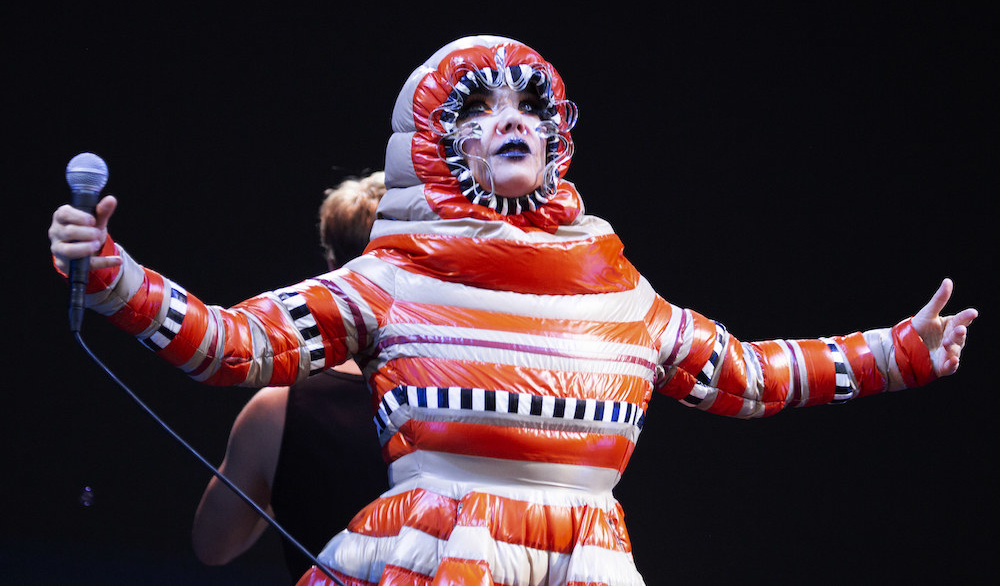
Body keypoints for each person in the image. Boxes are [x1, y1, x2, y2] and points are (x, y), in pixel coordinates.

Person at [49, 35, 977, 586]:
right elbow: (232, 345)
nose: (510, 118)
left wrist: (903, 350)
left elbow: (746, 375)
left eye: (528, 102)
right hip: (432, 550)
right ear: (431, 141)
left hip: (586, 555)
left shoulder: (618, 288)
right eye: (478, 105)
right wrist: (113, 273)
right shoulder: (394, 276)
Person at [191, 172, 387, 581]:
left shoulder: (274, 410)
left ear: (333, 269)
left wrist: (282, 484)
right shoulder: (466, 384)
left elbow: (213, 544)